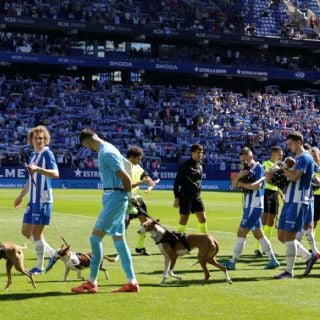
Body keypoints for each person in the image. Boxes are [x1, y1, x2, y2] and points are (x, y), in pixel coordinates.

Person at [71, 128, 139, 294]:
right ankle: (132, 282)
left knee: (95, 239)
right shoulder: (109, 147)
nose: (88, 148)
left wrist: (128, 197)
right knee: (119, 241)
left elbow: (126, 177)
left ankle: (92, 282)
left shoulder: (105, 153)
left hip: (115, 197)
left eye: (86, 146)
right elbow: (128, 164)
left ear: (87, 142)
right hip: (114, 196)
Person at [224, 147, 279, 270]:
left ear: (250, 156)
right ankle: (273, 260)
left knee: (241, 231)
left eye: (245, 160)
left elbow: (257, 186)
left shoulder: (259, 168)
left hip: (255, 206)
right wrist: (238, 177)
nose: (244, 163)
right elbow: (232, 187)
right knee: (259, 234)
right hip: (249, 206)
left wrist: (241, 184)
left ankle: (232, 261)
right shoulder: (245, 169)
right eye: (242, 161)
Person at [14, 125, 59, 275]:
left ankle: (39, 267)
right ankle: (53, 254)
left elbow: (56, 174)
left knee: (36, 233)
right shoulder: (33, 156)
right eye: (36, 138)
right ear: (31, 140)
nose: (39, 140)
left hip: (43, 199)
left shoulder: (47, 154)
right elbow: (30, 180)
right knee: (25, 231)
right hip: (32, 200)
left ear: (45, 139)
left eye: (42, 138)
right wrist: (21, 196)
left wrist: (39, 169)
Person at [275, 132, 318, 279]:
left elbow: (294, 177)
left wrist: (283, 169)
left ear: (299, 142)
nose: (289, 147)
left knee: (290, 235)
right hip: (289, 200)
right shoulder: (299, 158)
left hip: (299, 200)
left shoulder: (305, 157)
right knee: (281, 235)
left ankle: (289, 271)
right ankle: (308, 256)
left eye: (290, 144)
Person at [126, 146, 156, 256]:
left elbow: (146, 177)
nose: (140, 161)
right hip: (126, 199)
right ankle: (122, 248)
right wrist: (143, 182)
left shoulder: (138, 167)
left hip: (137, 198)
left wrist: (150, 182)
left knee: (146, 223)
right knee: (125, 224)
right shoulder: (123, 167)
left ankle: (139, 247)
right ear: (132, 157)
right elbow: (128, 184)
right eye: (139, 158)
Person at [254, 146, 283, 257]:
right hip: (266, 192)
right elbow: (267, 180)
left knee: (271, 221)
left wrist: (281, 193)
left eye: (281, 154)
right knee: (264, 219)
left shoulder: (280, 166)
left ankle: (267, 248)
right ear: (273, 154)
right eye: (279, 154)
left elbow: (278, 183)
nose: (281, 156)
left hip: (274, 193)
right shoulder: (266, 164)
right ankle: (257, 248)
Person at [173, 143, 207, 234]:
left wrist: (198, 194)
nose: (200, 154)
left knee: (203, 219)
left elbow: (198, 182)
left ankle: (204, 239)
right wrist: (176, 198)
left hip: (196, 197)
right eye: (198, 152)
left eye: (202, 152)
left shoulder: (200, 165)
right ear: (192, 153)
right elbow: (177, 182)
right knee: (184, 219)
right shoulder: (185, 166)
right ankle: (179, 238)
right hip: (185, 196)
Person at [295, 145, 319, 255]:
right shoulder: (308, 164)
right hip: (307, 197)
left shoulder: (315, 167)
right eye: (312, 156)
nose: (314, 158)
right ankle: (298, 245)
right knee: (307, 225)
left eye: (316, 156)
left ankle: (312, 250)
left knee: (309, 225)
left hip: (310, 198)